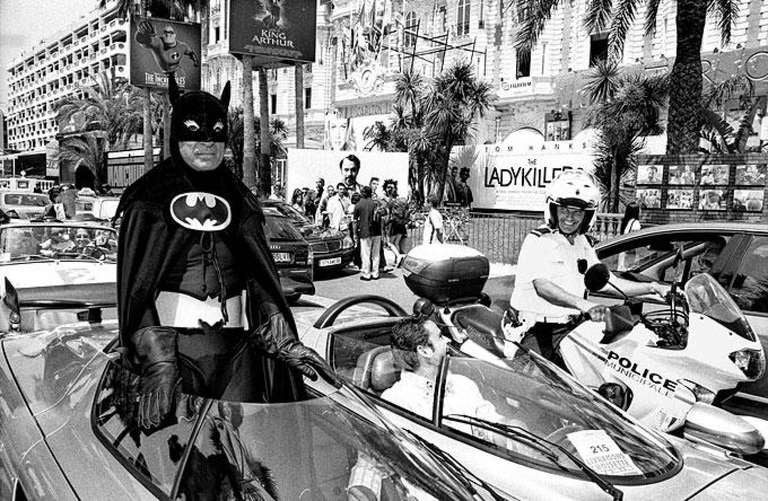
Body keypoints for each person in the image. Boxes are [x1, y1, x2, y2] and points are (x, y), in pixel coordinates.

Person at [114, 78, 333, 431]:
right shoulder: (150, 199)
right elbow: (135, 287)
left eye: (215, 134)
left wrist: (282, 336)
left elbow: (259, 277)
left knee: (243, 450)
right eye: (194, 133)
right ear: (176, 135)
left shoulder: (239, 199)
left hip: (236, 349)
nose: (206, 144)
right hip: (176, 351)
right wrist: (157, 358)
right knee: (181, 456)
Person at [510, 170, 667, 365]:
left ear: (587, 215)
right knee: (537, 390)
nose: (570, 217)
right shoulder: (539, 240)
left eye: (578, 212)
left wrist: (653, 288)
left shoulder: (582, 242)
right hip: (537, 331)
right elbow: (543, 287)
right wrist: (586, 305)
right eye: (564, 209)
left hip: (571, 327)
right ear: (553, 209)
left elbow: (608, 283)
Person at [383, 316, 503, 424]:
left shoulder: (463, 383)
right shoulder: (396, 401)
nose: (448, 340)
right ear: (424, 351)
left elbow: (493, 422)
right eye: (440, 337)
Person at [135, 21, 199, 75]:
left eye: (171, 33)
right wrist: (141, 32)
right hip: (162, 76)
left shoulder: (182, 46)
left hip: (178, 73)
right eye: (166, 33)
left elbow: (191, 53)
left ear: (175, 35)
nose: (168, 35)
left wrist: (195, 61)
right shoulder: (158, 43)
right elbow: (142, 40)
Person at [353, 186, 382, 280]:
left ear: (363, 193)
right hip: (377, 232)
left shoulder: (358, 204)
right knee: (376, 254)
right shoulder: (375, 203)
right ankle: (375, 273)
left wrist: (354, 234)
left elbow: (355, 221)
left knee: (366, 254)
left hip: (365, 231)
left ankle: (366, 274)